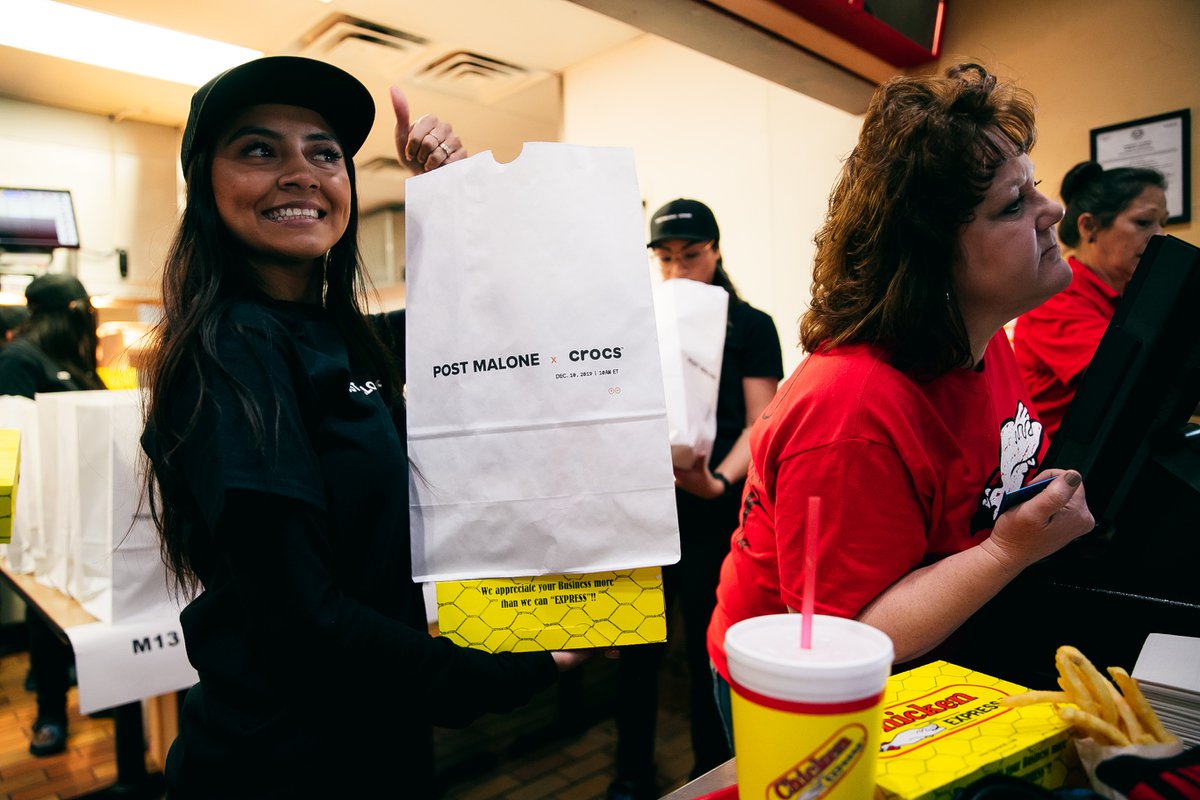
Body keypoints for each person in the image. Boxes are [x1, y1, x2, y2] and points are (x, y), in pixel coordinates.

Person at [139, 56, 589, 798]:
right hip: (276, 766)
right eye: (258, 149)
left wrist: (459, 197)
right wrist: (518, 667)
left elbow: (492, 319)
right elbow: (305, 623)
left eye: (324, 152)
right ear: (206, 185)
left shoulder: (341, 336)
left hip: (376, 738)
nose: (301, 172)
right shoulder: (231, 354)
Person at [704, 63, 1097, 739]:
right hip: (796, 689)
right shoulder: (853, 410)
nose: (1052, 210)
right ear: (932, 260)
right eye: (1013, 205)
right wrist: (1005, 553)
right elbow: (841, 635)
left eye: (1033, 187)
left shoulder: (979, 341)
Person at [608, 200, 782, 799]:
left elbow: (762, 422)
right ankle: (629, 773)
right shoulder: (638, 322)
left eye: (692, 256)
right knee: (636, 647)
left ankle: (709, 772)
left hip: (715, 510)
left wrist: (721, 483)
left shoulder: (750, 325)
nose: (679, 270)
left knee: (712, 644)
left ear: (716, 251)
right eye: (665, 259)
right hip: (647, 509)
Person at [0, 273, 105, 757]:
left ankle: (101, 688)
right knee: (46, 618)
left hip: (89, 516)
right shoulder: (19, 361)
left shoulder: (72, 361)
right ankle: (49, 713)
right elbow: (6, 445)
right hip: (44, 524)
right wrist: (5, 532)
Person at [1013, 162, 1168, 440]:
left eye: (1162, 223)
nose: (1160, 236)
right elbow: (1137, 383)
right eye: (1143, 222)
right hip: (1064, 466)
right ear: (1089, 226)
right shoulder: (1057, 300)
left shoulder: (1127, 296)